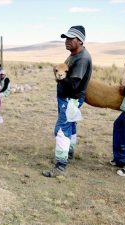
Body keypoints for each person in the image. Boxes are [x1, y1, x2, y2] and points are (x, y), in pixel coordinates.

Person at [43, 25, 92, 178]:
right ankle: (69, 153)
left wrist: (58, 75)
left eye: (71, 38)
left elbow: (73, 85)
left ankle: (60, 166)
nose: (67, 41)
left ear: (80, 41)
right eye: (66, 38)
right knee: (70, 125)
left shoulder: (82, 58)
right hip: (69, 99)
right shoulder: (74, 55)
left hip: (71, 99)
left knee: (62, 130)